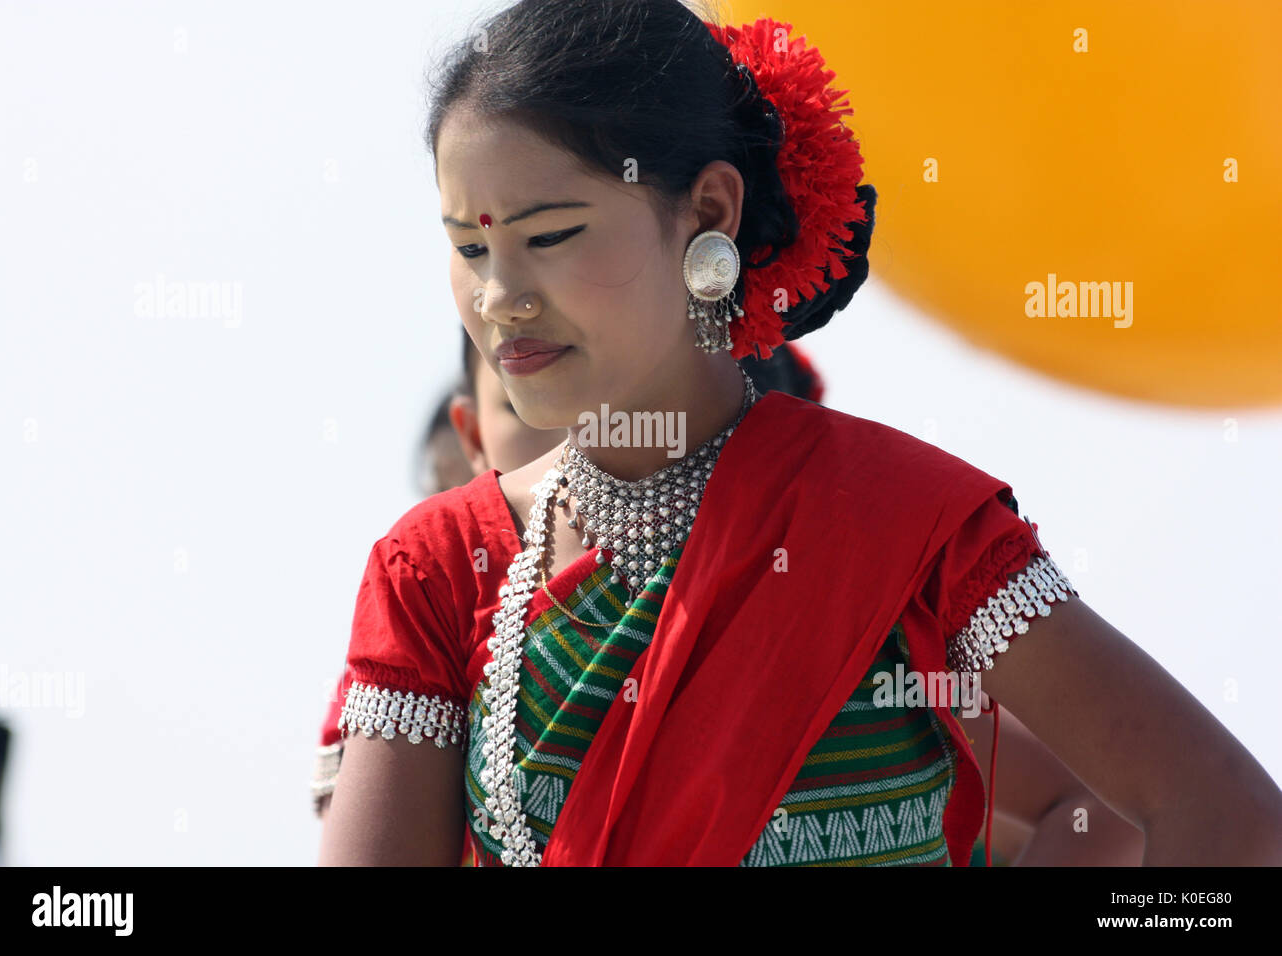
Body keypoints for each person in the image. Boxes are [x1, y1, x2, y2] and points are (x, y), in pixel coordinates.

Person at [320, 0, 1282, 866]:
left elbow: (1229, 820)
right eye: (470, 246)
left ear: (708, 211)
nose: (501, 298)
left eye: (552, 234)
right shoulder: (440, 573)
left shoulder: (902, 525)